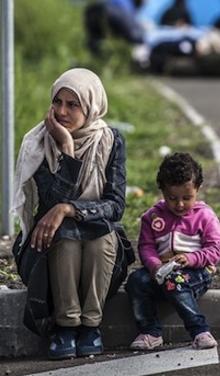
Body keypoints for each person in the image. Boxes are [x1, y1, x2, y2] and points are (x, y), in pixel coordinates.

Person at [11, 68, 132, 360]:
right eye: (58, 102)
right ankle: (66, 327)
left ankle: (91, 326)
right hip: (47, 251)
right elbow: (51, 200)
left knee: (101, 237)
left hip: (98, 243)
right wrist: (67, 150)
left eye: (72, 104)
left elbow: (115, 206)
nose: (62, 111)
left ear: (90, 106)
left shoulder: (110, 141)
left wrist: (70, 209)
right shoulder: (39, 144)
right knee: (64, 235)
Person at [126, 152, 220, 351]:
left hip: (196, 272)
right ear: (162, 192)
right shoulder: (152, 216)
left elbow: (216, 249)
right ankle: (150, 332)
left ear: (198, 190)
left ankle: (199, 330)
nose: (180, 204)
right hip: (162, 272)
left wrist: (191, 258)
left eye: (187, 198)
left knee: (175, 282)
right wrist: (154, 266)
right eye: (172, 198)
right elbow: (146, 246)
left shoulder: (205, 216)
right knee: (136, 280)